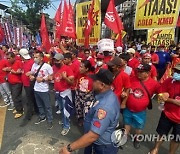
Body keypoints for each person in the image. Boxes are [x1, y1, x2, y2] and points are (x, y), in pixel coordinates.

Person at [60, 69, 120, 154]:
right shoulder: (104, 94)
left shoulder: (105, 107)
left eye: (95, 81)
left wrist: (69, 148)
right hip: (95, 142)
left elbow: (93, 136)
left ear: (102, 85)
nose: (92, 82)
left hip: (102, 147)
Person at [123, 64, 161, 149]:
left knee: (139, 126)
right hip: (128, 108)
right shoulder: (131, 79)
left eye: (141, 72)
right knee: (126, 122)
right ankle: (124, 137)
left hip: (140, 111)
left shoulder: (154, 84)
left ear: (147, 73)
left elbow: (161, 93)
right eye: (138, 71)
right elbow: (126, 88)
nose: (138, 73)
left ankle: (137, 138)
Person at [149, 63, 180, 154]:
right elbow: (160, 97)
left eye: (179, 72)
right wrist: (172, 101)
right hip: (167, 114)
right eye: (176, 71)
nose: (177, 73)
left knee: (176, 138)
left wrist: (167, 99)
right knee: (161, 133)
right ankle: (156, 148)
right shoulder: (169, 81)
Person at [29, 52, 53, 130]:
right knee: (39, 105)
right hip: (36, 88)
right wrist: (31, 76)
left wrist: (42, 79)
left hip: (44, 89)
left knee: (47, 106)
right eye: (34, 57)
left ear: (41, 58)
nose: (34, 59)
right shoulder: (34, 65)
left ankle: (50, 120)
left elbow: (51, 77)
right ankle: (42, 116)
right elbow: (32, 73)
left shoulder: (47, 66)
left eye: (36, 57)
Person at [53, 53, 74, 135]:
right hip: (58, 92)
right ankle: (64, 121)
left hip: (65, 92)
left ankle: (66, 126)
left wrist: (65, 78)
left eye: (57, 60)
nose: (55, 62)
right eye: (54, 60)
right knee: (61, 108)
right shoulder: (54, 67)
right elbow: (53, 76)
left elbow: (72, 83)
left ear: (62, 61)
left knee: (66, 110)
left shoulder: (67, 69)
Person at [75, 60, 95, 126]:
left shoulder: (92, 76)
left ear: (87, 69)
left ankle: (87, 125)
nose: (79, 68)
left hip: (88, 96)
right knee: (79, 109)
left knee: (87, 112)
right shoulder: (79, 73)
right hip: (79, 94)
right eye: (79, 66)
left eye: (81, 67)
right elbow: (76, 79)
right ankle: (80, 120)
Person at [18, 48, 35, 127]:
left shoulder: (31, 62)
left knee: (30, 99)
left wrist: (31, 73)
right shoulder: (25, 62)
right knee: (30, 98)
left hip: (29, 84)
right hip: (26, 83)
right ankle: (34, 111)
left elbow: (35, 71)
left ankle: (29, 114)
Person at [6, 52, 23, 118]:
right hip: (11, 82)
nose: (8, 60)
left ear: (13, 57)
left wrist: (14, 71)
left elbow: (20, 71)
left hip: (17, 83)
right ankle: (17, 108)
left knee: (16, 97)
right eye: (7, 58)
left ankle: (20, 111)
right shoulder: (9, 63)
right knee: (14, 96)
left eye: (9, 58)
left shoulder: (18, 62)